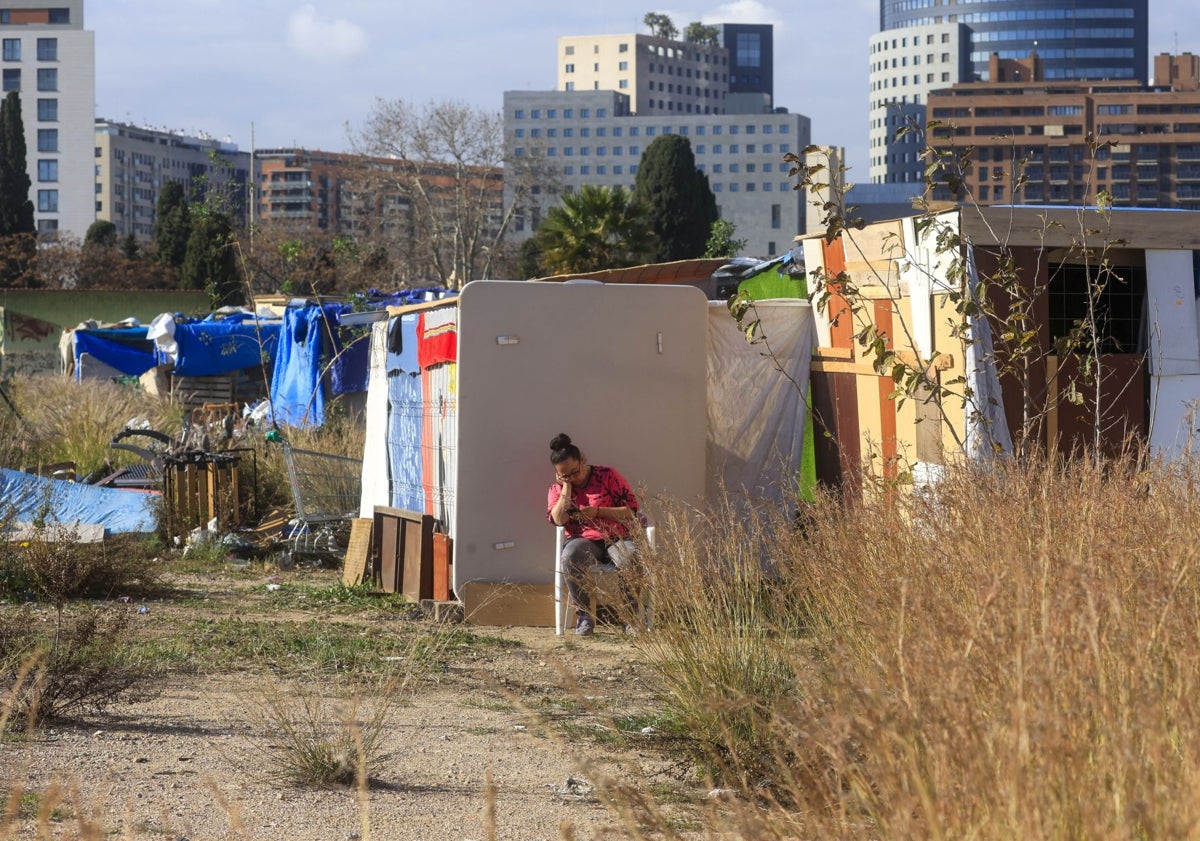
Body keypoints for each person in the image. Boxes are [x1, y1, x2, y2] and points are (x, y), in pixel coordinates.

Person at [546, 433, 639, 636]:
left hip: (616, 537)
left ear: (583, 460)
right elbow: (559, 520)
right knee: (570, 556)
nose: (572, 478)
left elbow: (631, 511)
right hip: (584, 539)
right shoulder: (558, 489)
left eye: (574, 472)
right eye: (564, 475)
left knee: (630, 558)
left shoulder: (607, 476)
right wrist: (567, 487)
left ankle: (630, 618)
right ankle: (585, 616)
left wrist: (598, 512)